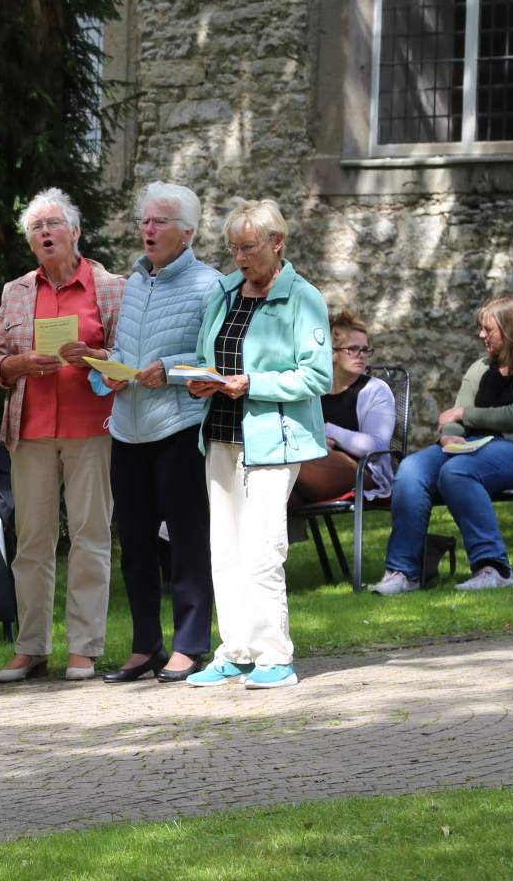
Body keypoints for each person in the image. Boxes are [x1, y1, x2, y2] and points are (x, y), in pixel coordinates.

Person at [186, 200, 331, 691]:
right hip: (220, 434)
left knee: (263, 549)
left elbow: (317, 375)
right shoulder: (226, 291)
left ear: (276, 243)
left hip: (274, 439)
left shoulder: (303, 297)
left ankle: (276, 657)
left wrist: (253, 383)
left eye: (248, 247)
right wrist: (200, 380)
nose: (239, 257)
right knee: (223, 549)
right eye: (233, 247)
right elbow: (209, 354)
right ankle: (235, 651)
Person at [0, 189, 123, 684]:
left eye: (53, 224)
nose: (44, 233)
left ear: (75, 232)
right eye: (36, 228)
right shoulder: (16, 291)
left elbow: (128, 356)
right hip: (32, 429)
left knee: (90, 536)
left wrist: (96, 356)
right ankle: (31, 647)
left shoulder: (110, 287)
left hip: (93, 427)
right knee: (33, 541)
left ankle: (84, 648)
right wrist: (19, 364)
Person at [90, 182, 219, 684]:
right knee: (137, 545)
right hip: (127, 429)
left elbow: (216, 363)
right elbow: (124, 354)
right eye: (145, 220)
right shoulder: (133, 283)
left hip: (179, 429)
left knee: (187, 542)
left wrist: (169, 368)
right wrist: (101, 368)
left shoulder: (210, 286)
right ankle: (145, 645)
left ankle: (190, 644)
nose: (148, 229)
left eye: (160, 221)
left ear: (186, 232)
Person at [371, 291, 513, 597]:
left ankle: (495, 568)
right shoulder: (480, 368)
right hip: (475, 447)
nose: (481, 335)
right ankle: (405, 571)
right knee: (411, 468)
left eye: (488, 329)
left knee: (458, 471)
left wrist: (464, 415)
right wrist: (450, 431)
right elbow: (454, 414)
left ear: (512, 329)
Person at [288, 309, 397, 506]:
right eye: (353, 349)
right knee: (272, 494)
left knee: (290, 459)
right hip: (315, 469)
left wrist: (326, 430)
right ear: (331, 354)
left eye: (365, 350)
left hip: (364, 473)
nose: (361, 355)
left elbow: (377, 446)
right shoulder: (313, 390)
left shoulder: (376, 390)